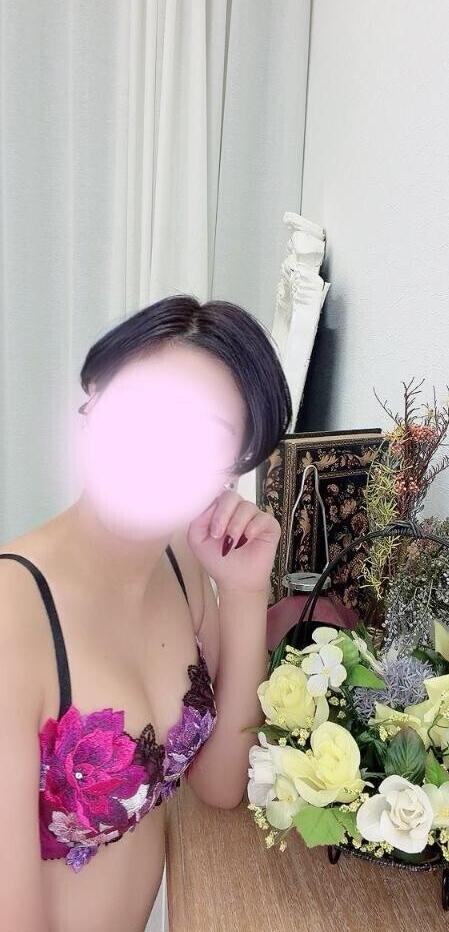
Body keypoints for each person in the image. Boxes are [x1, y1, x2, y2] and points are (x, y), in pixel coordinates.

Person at [0, 294, 292, 932]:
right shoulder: (11, 618)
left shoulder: (183, 566)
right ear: (93, 404)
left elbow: (221, 784)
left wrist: (244, 594)